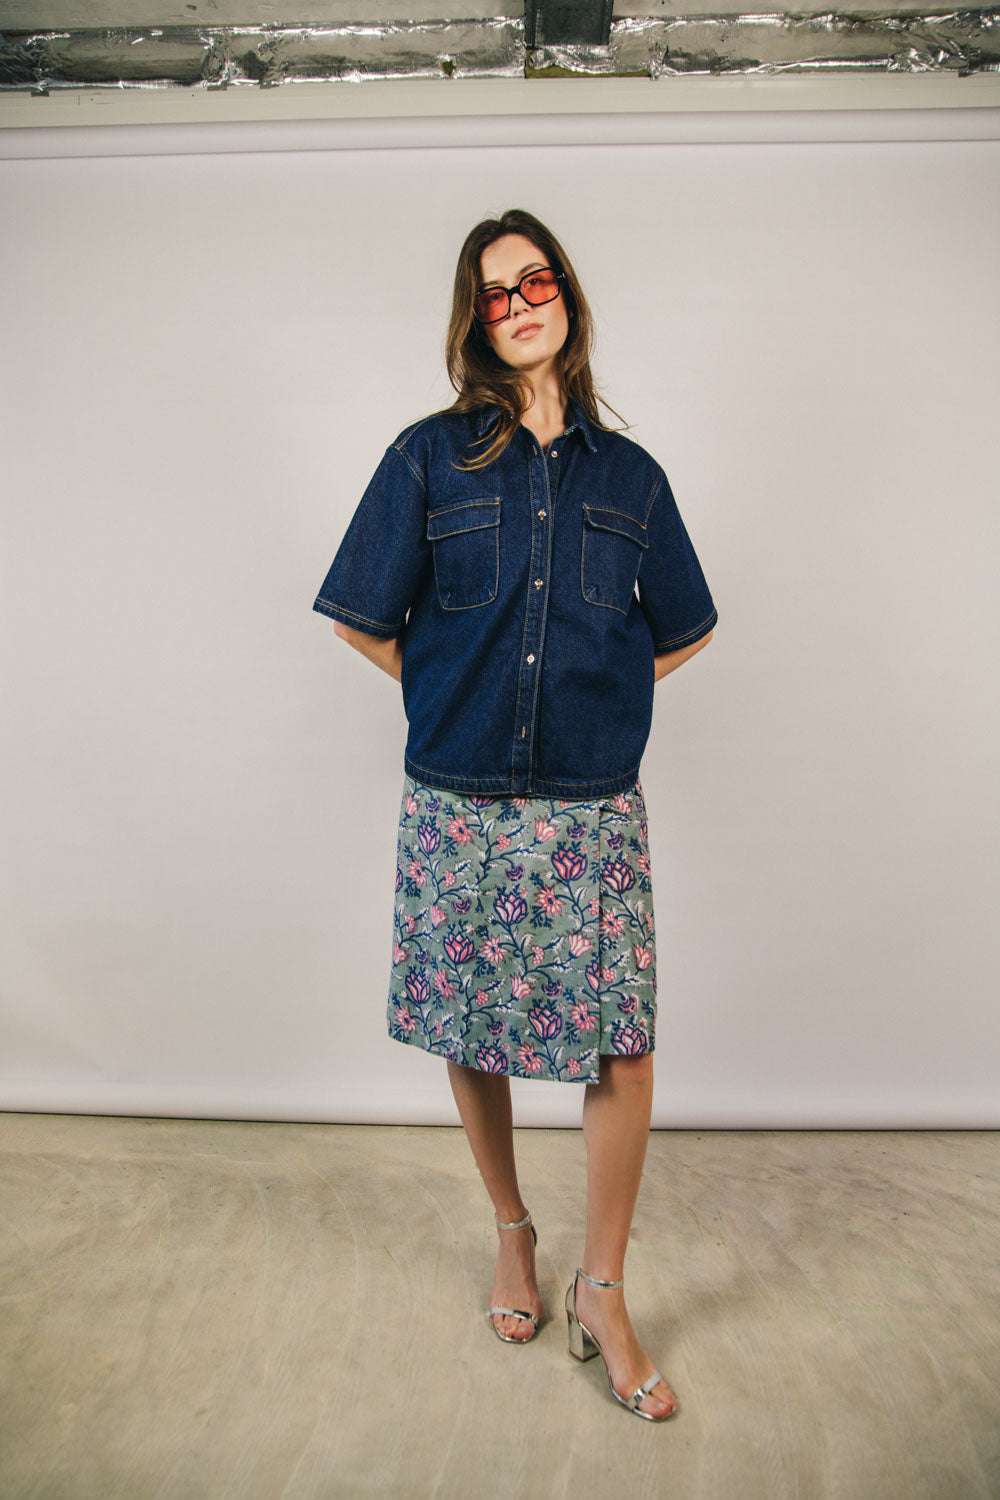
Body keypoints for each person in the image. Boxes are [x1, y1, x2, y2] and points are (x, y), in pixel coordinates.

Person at [313, 209, 717, 1422]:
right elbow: (363, 615)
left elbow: (682, 628)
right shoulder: (425, 460)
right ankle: (511, 1230)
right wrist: (455, 694)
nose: (521, 302)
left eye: (537, 280)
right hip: (462, 799)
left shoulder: (632, 479)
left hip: (592, 806)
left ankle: (604, 1289)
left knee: (623, 1044)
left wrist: (603, 698)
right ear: (476, 321)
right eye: (496, 292)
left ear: (568, 299)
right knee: (470, 1026)